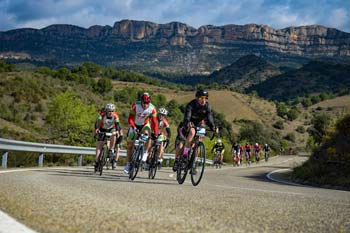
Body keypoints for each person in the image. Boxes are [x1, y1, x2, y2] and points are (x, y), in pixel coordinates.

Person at [173, 89, 218, 172]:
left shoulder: (207, 106)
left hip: (199, 124)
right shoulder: (191, 104)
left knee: (199, 141)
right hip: (189, 123)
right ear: (197, 98)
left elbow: (209, 117)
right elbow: (187, 116)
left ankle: (193, 163)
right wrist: (188, 122)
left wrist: (213, 127)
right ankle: (185, 155)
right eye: (201, 98)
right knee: (191, 132)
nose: (203, 100)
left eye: (205, 98)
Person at [123, 92, 158, 174]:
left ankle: (145, 152)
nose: (145, 105)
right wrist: (133, 127)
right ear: (141, 101)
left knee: (148, 134)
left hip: (145, 124)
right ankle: (128, 164)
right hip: (134, 125)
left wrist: (155, 134)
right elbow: (130, 119)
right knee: (130, 145)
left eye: (147, 103)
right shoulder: (135, 106)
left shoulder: (152, 109)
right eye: (144, 102)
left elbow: (154, 123)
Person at [94, 103, 122, 170]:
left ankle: (111, 149)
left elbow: (117, 124)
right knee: (99, 146)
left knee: (114, 133)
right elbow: (97, 122)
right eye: (109, 111)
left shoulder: (115, 116)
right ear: (106, 111)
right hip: (102, 129)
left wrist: (117, 131)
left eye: (112, 111)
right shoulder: (102, 115)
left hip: (110, 129)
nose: (110, 112)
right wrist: (97, 129)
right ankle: (96, 161)